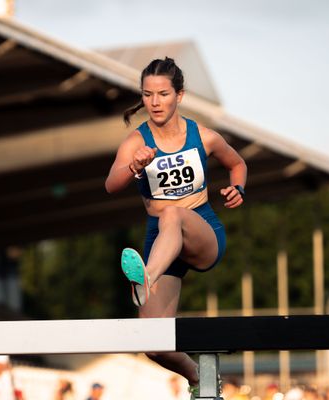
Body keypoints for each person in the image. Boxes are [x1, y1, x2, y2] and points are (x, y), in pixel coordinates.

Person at [105, 57, 247, 399]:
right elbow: (111, 184)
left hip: (201, 233)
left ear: (179, 96)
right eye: (148, 94)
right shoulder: (135, 143)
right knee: (153, 344)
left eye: (163, 94)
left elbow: (237, 163)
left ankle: (146, 277)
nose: (155, 102)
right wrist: (134, 167)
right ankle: (198, 376)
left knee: (172, 214)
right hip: (161, 243)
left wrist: (237, 188)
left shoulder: (204, 137)